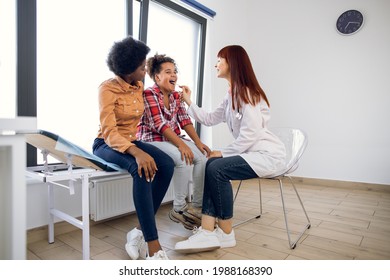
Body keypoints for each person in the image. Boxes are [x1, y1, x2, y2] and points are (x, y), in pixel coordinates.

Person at [174, 45, 287, 253]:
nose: (215, 64)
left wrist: (223, 152)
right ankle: (210, 231)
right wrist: (188, 100)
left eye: (220, 60)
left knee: (217, 166)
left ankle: (223, 233)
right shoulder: (230, 95)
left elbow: (250, 134)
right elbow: (208, 119)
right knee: (212, 164)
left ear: (232, 63)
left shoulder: (247, 92)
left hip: (267, 155)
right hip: (251, 153)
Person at [92, 36, 174, 260]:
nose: (145, 69)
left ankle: (138, 231)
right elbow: (109, 132)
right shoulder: (107, 89)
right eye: (141, 66)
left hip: (131, 140)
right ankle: (153, 246)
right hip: (106, 143)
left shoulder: (138, 85)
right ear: (129, 69)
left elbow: (157, 104)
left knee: (166, 164)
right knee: (142, 170)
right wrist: (137, 152)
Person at [137, 54, 210, 230]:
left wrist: (198, 143)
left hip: (172, 139)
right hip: (151, 139)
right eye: (168, 72)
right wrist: (182, 145)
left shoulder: (177, 97)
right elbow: (159, 125)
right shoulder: (149, 94)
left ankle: (196, 208)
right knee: (183, 158)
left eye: (175, 72)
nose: (174, 76)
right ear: (157, 77)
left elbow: (185, 121)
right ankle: (179, 208)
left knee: (202, 157)